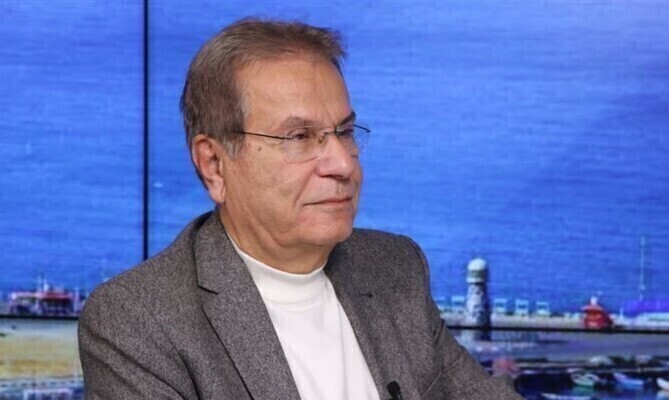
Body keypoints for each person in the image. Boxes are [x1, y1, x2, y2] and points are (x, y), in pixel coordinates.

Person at [78, 18, 522, 400]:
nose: (343, 164)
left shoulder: (395, 268)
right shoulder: (137, 320)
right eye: (299, 137)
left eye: (344, 132)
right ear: (214, 164)